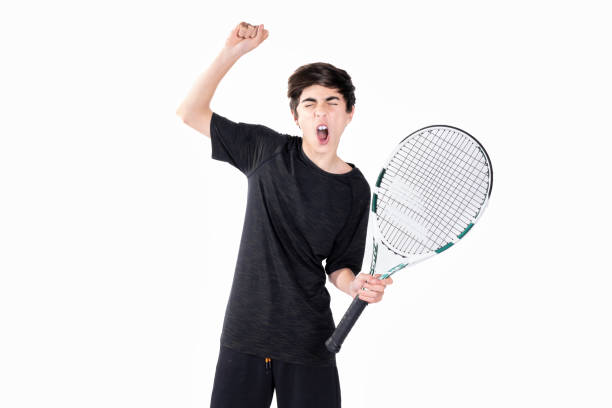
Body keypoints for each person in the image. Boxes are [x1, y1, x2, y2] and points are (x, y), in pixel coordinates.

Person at [176, 21, 393, 408]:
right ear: (296, 116)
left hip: (310, 343)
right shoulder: (265, 151)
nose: (320, 112)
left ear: (349, 114)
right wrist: (232, 52)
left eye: (332, 102)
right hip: (245, 336)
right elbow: (190, 112)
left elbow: (340, 267)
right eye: (309, 104)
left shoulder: (355, 188)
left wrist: (355, 286)